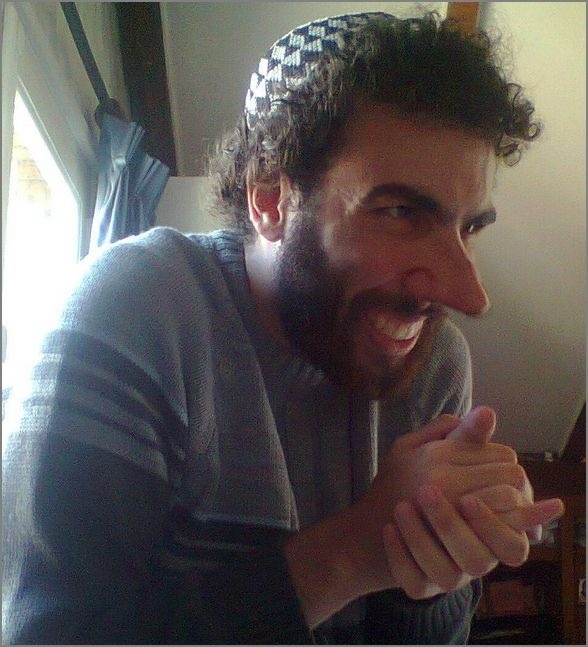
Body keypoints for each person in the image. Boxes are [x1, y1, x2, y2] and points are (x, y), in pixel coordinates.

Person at [2, 11, 564, 645]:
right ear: (269, 197)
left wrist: (435, 565)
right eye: (401, 212)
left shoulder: (432, 361)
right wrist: (355, 550)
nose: (469, 294)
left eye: (469, 228)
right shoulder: (136, 310)